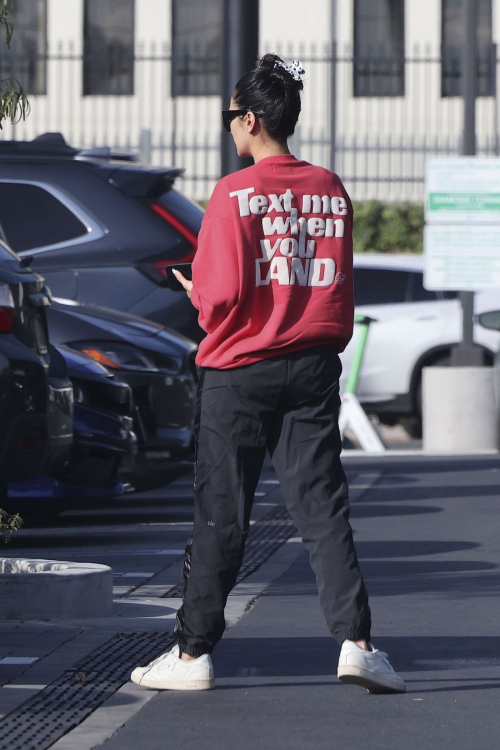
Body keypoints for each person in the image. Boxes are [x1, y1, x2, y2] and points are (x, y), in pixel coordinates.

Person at [131, 54, 405, 695]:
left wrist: (196, 292)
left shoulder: (233, 194)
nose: (230, 127)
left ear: (251, 119)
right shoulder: (329, 188)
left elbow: (222, 296)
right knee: (323, 508)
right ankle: (357, 642)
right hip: (311, 365)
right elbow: (335, 285)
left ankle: (193, 653)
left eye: (232, 115)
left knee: (222, 512)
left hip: (239, 369)